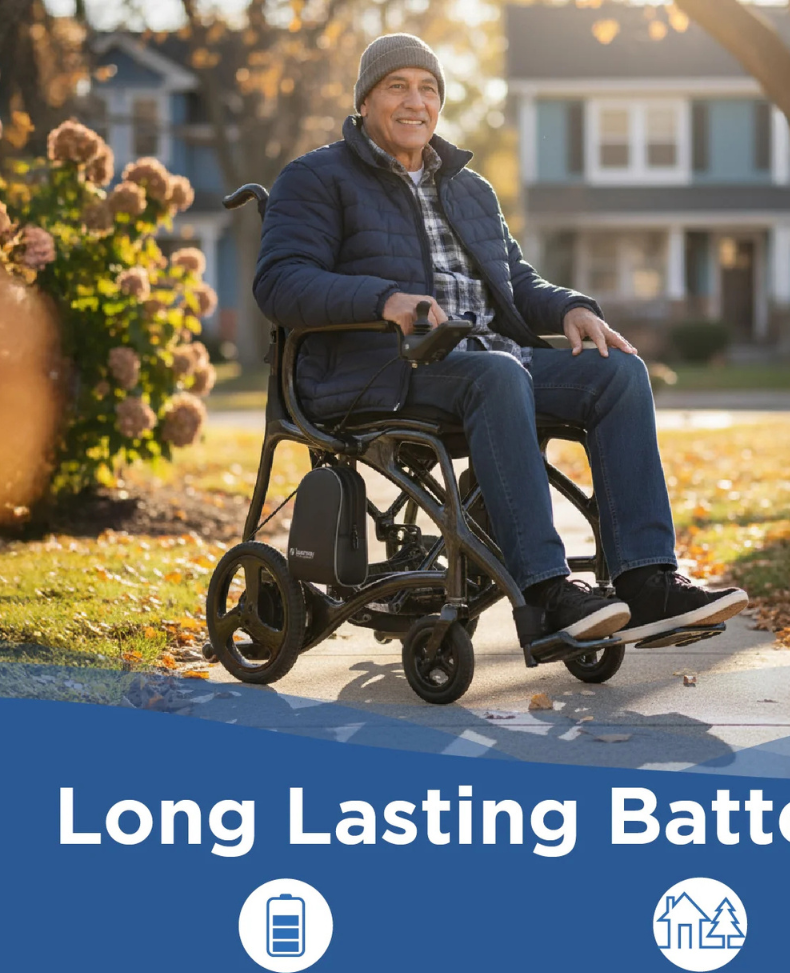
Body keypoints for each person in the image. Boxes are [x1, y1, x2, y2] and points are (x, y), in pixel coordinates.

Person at [254, 33, 748, 643]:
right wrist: (384, 299)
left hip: (491, 361)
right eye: (397, 87)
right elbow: (280, 282)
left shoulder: (469, 188)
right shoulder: (315, 177)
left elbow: (514, 281)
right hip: (381, 370)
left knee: (617, 371)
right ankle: (545, 593)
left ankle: (646, 583)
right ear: (364, 102)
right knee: (499, 374)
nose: (416, 102)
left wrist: (570, 308)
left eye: (429, 88)